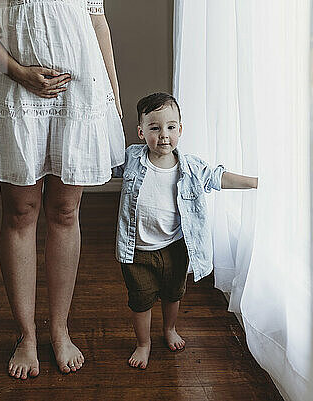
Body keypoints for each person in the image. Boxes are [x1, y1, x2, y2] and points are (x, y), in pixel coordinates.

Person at [0, 0, 125, 379]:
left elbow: (96, 18)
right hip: (12, 88)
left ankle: (60, 329)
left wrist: (112, 92)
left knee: (65, 212)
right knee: (20, 213)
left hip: (78, 89)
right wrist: (19, 72)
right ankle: (27, 336)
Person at [113, 92, 259, 369]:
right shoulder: (132, 158)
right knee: (140, 301)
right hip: (138, 250)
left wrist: (254, 182)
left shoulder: (190, 166)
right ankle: (143, 343)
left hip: (175, 247)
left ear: (180, 129)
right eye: (154, 128)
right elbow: (102, 165)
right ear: (141, 132)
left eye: (170, 127)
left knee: (173, 293)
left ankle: (169, 329)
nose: (164, 135)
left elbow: (218, 177)